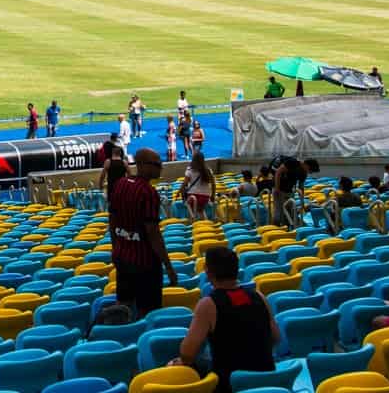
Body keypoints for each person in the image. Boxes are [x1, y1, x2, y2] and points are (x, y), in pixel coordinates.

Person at [171, 247, 278, 385]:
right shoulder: (259, 296)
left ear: (208, 272)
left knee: (176, 365)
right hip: (265, 376)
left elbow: (187, 354)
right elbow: (276, 337)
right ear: (236, 270)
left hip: (229, 383)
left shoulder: (208, 305)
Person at [109, 147, 178, 317]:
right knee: (149, 312)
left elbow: (112, 220)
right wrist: (168, 266)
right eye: (156, 164)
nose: (160, 167)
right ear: (142, 165)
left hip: (122, 257)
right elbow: (153, 233)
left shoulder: (120, 184)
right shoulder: (148, 193)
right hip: (145, 263)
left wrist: (115, 247)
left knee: (123, 306)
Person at [182, 151, 214, 220]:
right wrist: (212, 196)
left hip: (193, 195)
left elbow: (184, 184)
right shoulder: (208, 170)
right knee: (201, 210)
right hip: (206, 196)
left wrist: (181, 193)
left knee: (187, 204)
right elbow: (213, 184)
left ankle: (193, 218)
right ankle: (205, 224)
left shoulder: (190, 170)